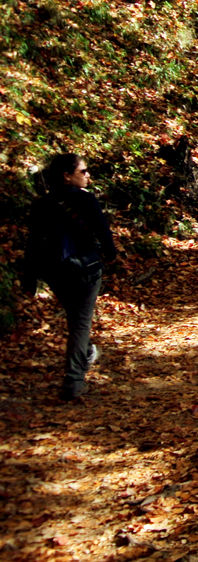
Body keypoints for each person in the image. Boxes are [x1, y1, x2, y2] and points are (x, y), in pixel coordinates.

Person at [21, 153, 117, 401]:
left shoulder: (42, 204)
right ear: (67, 175)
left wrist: (29, 277)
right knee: (80, 323)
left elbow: (33, 242)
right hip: (86, 269)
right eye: (83, 171)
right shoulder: (86, 200)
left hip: (55, 271)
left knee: (76, 319)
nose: (87, 175)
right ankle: (74, 380)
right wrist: (111, 255)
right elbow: (102, 230)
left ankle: (85, 355)